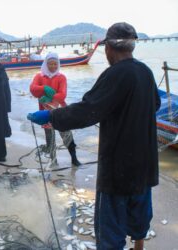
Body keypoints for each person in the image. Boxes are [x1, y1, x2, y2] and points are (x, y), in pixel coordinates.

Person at [27, 22, 160, 250]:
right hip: (145, 164)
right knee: (139, 216)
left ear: (108, 48)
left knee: (110, 232)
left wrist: (53, 117)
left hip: (118, 168)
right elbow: (155, 104)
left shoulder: (115, 74)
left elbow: (87, 111)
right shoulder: (145, 72)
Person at [30, 52, 81, 167]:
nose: (53, 66)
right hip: (46, 113)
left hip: (61, 111)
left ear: (58, 64)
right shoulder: (39, 76)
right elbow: (33, 89)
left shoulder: (61, 77)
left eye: (55, 64)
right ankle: (54, 161)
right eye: (50, 64)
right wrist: (43, 87)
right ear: (45, 64)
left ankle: (74, 158)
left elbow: (62, 95)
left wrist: (50, 96)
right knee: (50, 137)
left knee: (67, 135)